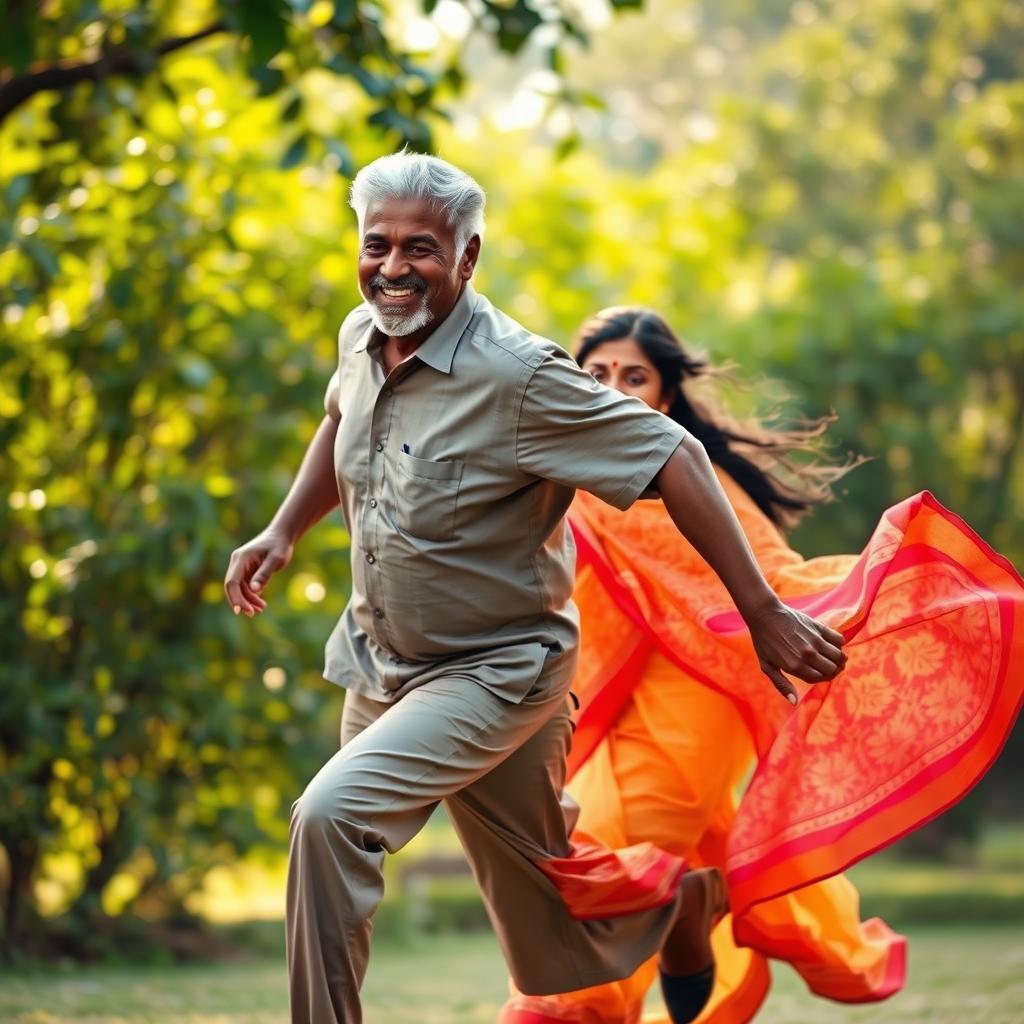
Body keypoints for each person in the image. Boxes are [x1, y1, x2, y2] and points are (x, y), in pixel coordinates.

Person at [222, 154, 848, 1024]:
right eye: (378, 245)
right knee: (554, 931)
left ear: (468, 256)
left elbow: (678, 455)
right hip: (382, 659)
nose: (393, 267)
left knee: (327, 818)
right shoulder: (359, 335)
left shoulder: (518, 375)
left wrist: (764, 610)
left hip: (494, 672)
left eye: (421, 249)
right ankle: (677, 906)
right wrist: (283, 527)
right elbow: (341, 419)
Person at [500, 308, 1024, 1024]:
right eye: (595, 373)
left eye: (634, 376)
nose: (613, 388)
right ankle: (688, 906)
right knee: (573, 853)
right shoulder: (561, 474)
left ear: (664, 396)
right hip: (602, 703)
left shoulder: (684, 469)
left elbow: (774, 579)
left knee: (620, 862)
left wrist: (866, 600)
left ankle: (608, 974)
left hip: (697, 692)